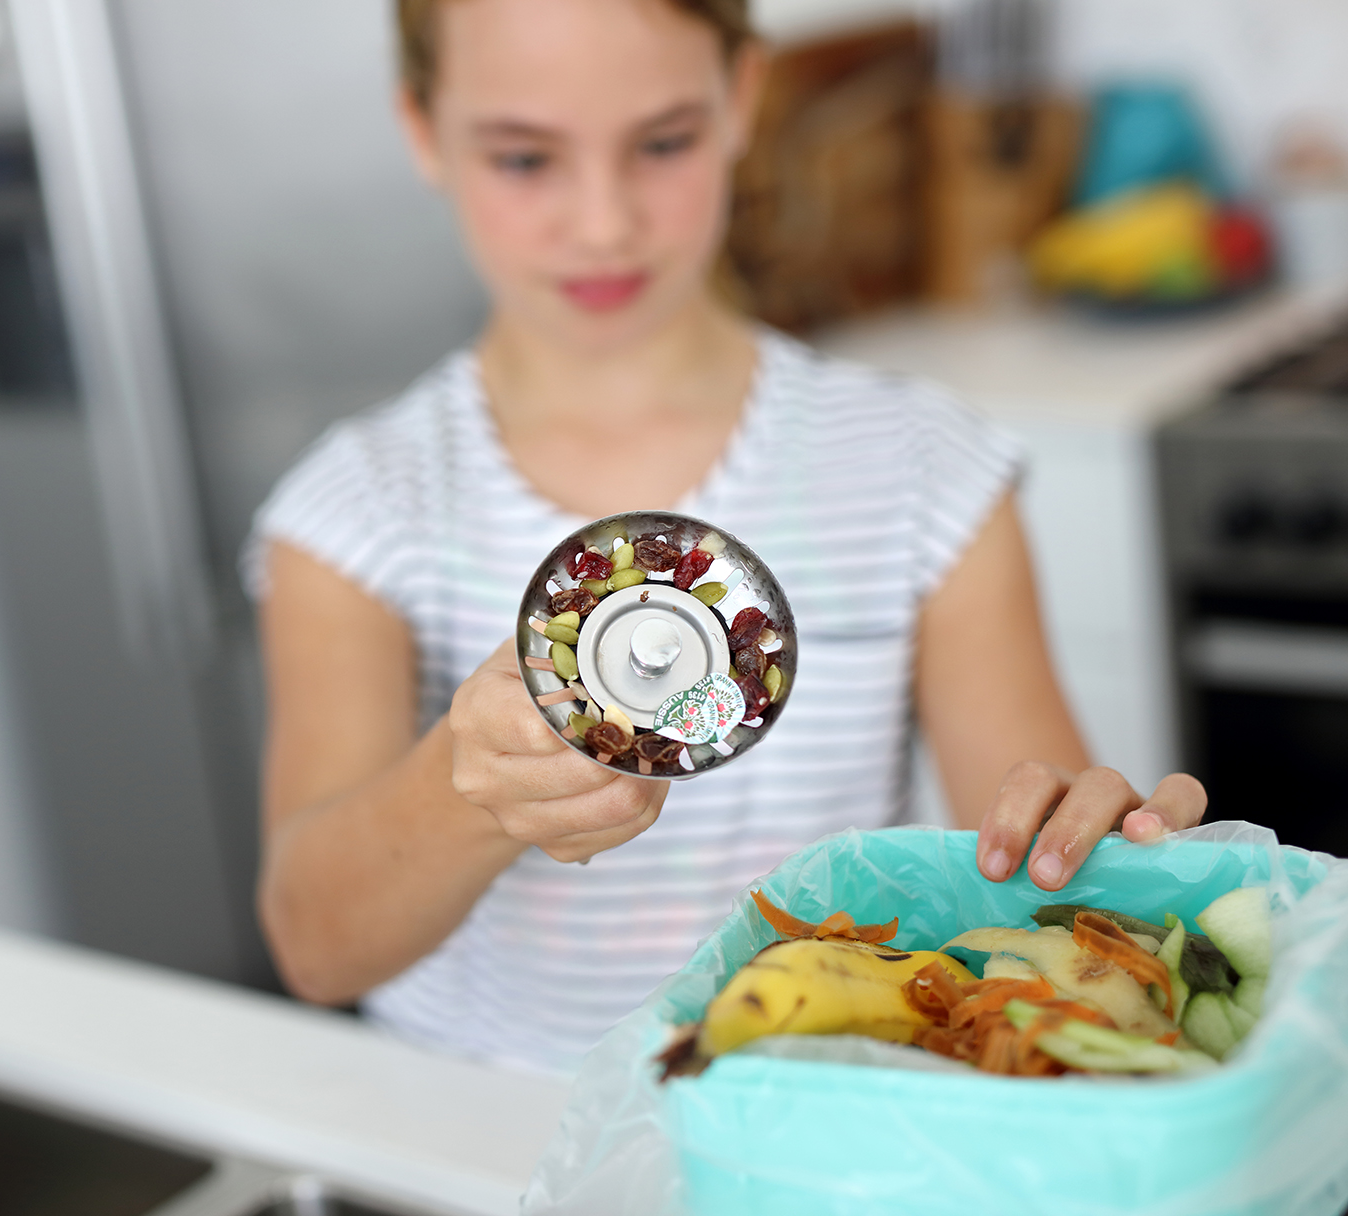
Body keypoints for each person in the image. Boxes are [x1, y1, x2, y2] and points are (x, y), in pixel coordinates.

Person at [240, 0, 1206, 1074]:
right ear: (423, 128)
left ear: (741, 98)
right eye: (524, 157)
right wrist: (463, 789)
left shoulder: (923, 471)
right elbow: (315, 945)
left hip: (812, 1132)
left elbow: (1040, 884)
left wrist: (1109, 866)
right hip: (480, 1151)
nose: (604, 221)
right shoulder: (357, 509)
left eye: (663, 142)